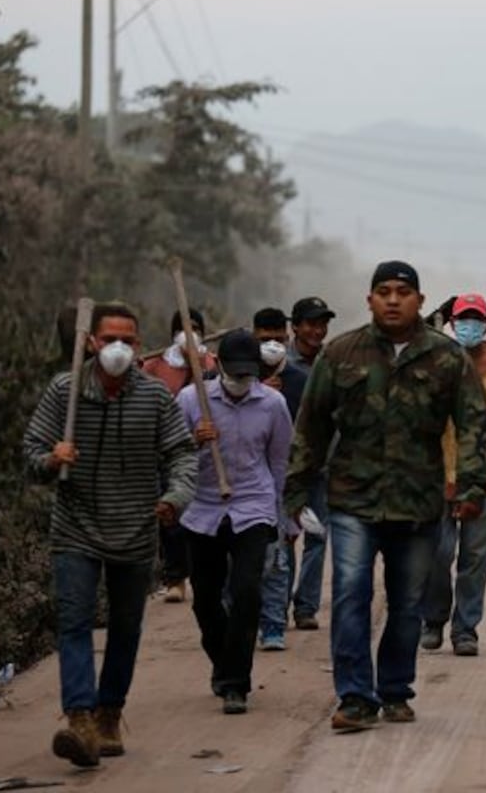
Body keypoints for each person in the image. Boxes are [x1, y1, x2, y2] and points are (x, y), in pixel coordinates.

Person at [284, 261, 486, 731]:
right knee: (350, 592)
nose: (393, 300)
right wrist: (295, 489)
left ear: (420, 300)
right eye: (383, 291)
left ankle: (395, 689)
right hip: (352, 498)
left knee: (407, 602)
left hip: (418, 503)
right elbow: (310, 425)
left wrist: (472, 486)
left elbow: (473, 423)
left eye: (402, 291)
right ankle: (355, 696)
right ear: (370, 300)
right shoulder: (341, 353)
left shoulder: (446, 357)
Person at [23, 302, 197, 767]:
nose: (118, 348)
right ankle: (80, 719)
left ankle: (109, 714)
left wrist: (175, 498)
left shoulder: (154, 397)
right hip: (75, 527)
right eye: (108, 339)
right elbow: (31, 452)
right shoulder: (65, 392)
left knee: (125, 626)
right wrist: (52, 458)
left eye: (127, 340)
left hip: (136, 527)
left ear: (139, 346)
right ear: (90, 342)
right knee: (75, 621)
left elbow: (182, 453)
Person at [176, 330, 293, 714]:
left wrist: (280, 513)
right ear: (220, 366)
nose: (242, 379)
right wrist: (193, 439)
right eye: (235, 371)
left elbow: (279, 460)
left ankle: (235, 683)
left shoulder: (272, 404)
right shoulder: (191, 400)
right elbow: (169, 454)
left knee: (247, 592)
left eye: (248, 372)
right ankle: (223, 659)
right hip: (203, 508)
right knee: (206, 599)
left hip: (253, 506)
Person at [422, 293, 486, 654]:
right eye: (463, 319)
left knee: (475, 560)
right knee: (438, 553)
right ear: (452, 324)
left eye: (476, 319)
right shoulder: (438, 361)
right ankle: (433, 619)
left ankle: (466, 629)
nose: (469, 326)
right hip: (439, 474)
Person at [141, 307, 218, 603]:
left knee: (202, 516)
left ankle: (205, 574)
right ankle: (175, 579)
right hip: (169, 450)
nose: (190, 333)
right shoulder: (155, 365)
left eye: (195, 328)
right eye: (184, 328)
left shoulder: (212, 363)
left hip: (206, 451)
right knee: (172, 514)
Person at [252, 306, 312, 651]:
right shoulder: (238, 378)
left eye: (277, 338)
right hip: (244, 481)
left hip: (284, 478)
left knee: (281, 552)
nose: (272, 345)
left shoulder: (299, 381)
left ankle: (276, 618)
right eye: (265, 339)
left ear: (287, 337)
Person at [288, 296, 337, 631]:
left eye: (322, 324)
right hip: (286, 467)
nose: (317, 331)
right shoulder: (277, 365)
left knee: (317, 536)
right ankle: (277, 605)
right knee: (286, 536)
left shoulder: (331, 363)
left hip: (323, 466)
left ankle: (306, 607)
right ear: (295, 327)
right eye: (310, 324)